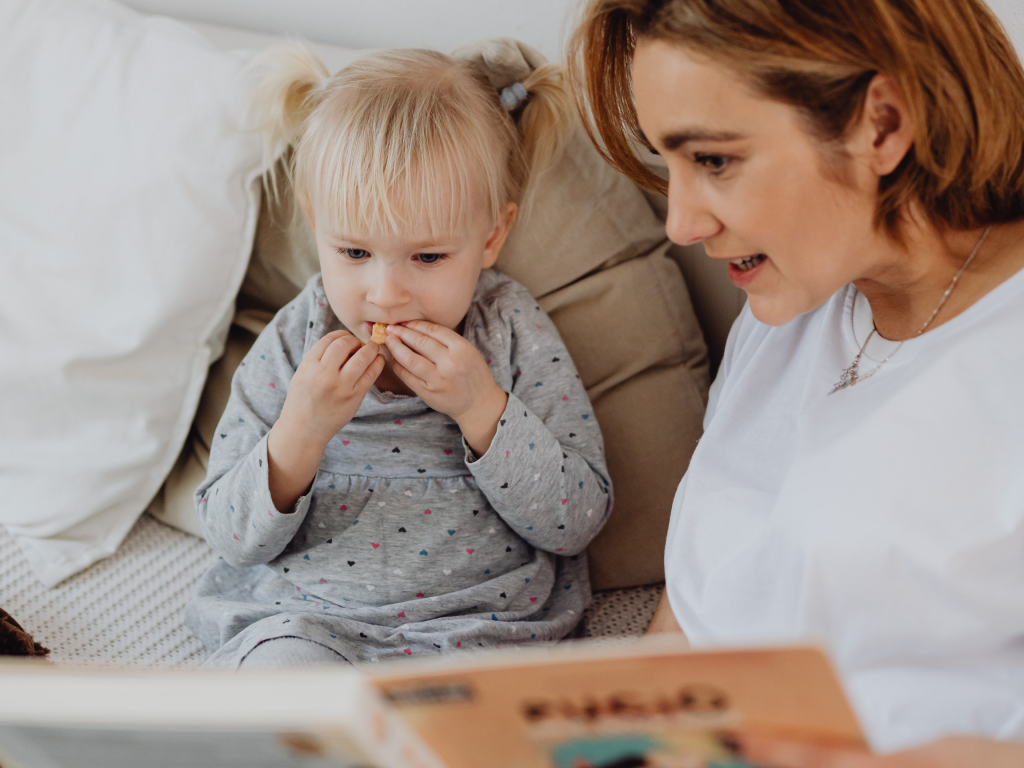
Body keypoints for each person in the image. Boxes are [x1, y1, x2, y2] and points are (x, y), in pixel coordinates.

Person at [570, 0, 1024, 764]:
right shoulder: (789, 310)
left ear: (880, 125)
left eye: (712, 160)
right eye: (668, 165)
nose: (680, 222)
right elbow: (691, 619)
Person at [185, 46, 612, 668]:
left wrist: (482, 409)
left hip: (481, 630)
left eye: (429, 257)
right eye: (354, 253)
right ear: (316, 226)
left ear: (491, 237)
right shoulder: (293, 340)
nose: (386, 294)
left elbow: (578, 520)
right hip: (306, 621)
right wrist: (300, 431)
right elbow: (230, 537)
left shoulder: (511, 329)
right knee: (282, 687)